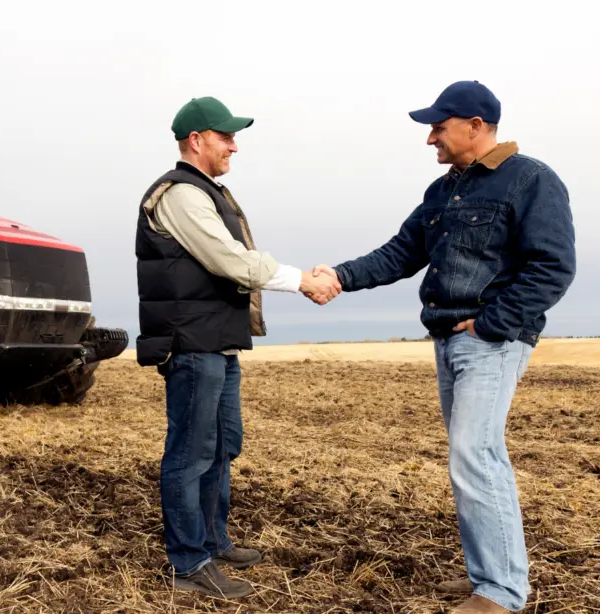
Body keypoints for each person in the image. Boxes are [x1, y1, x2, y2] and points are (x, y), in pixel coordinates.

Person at [317, 81, 576, 613]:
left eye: (438, 126)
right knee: (474, 458)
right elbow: (399, 252)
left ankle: (501, 592)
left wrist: (492, 325)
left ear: (475, 126)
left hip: (491, 341)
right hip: (448, 340)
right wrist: (338, 276)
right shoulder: (444, 191)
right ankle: (489, 573)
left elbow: (553, 266)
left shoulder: (531, 180)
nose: (430, 138)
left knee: (474, 455)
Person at [135, 96, 340, 599]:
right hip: (191, 342)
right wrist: (302, 280)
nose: (234, 145)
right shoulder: (180, 194)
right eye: (225, 136)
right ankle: (189, 566)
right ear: (196, 141)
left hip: (218, 342)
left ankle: (212, 538)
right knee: (191, 452)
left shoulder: (207, 191)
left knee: (224, 444)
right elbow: (232, 261)